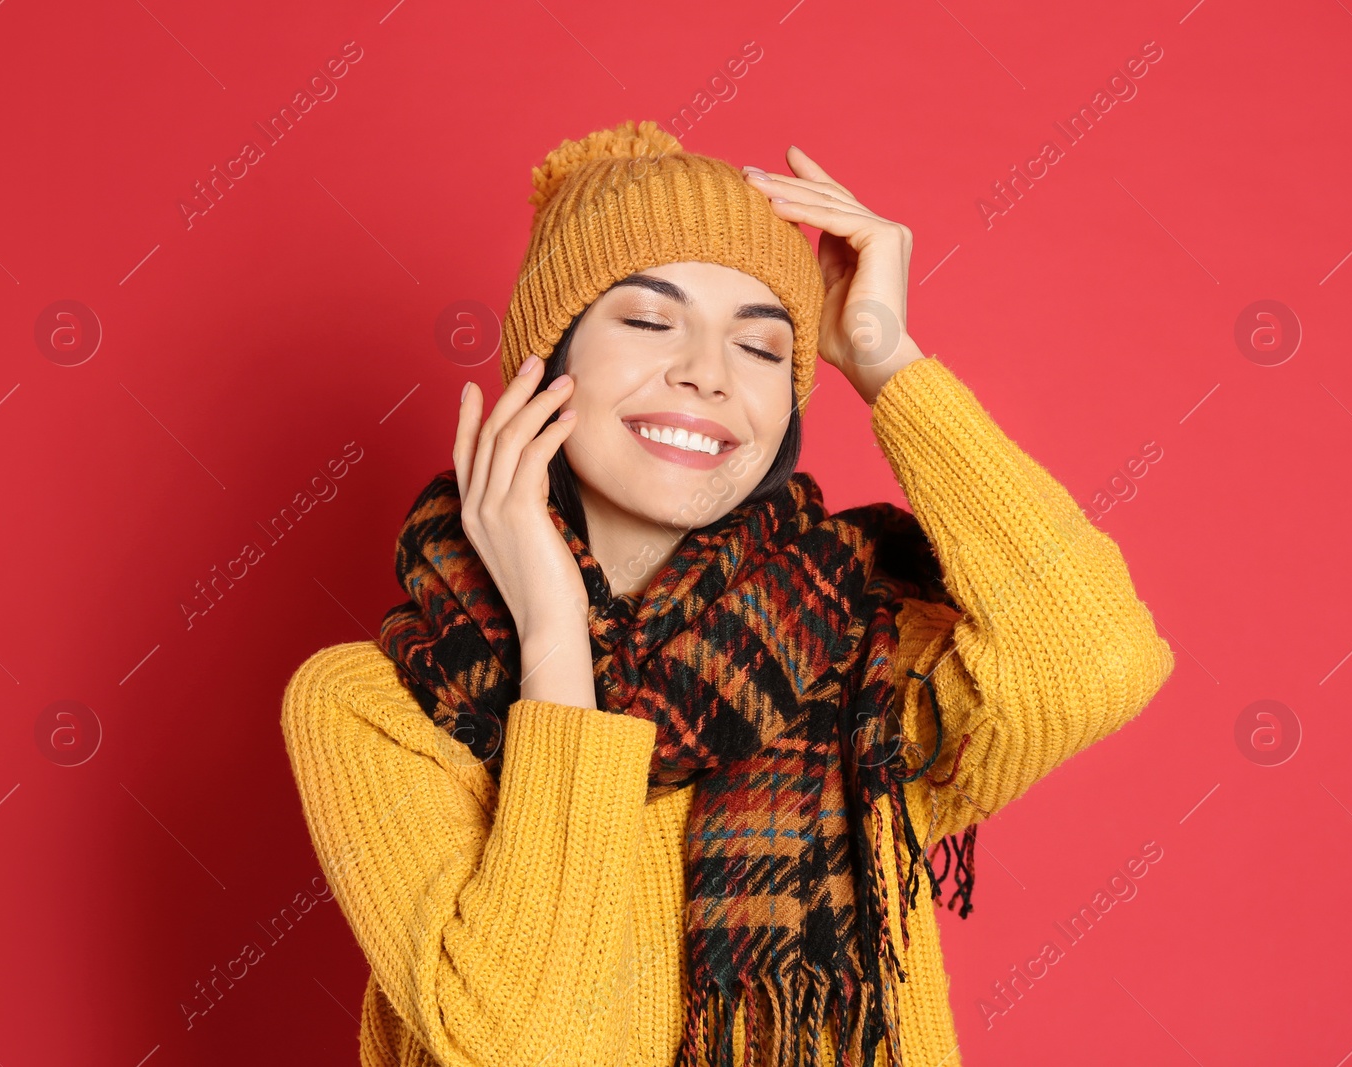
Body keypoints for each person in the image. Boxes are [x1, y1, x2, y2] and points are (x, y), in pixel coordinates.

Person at [280, 118, 1174, 1067]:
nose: (707, 374)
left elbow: (1094, 658)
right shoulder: (377, 709)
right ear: (547, 367)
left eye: (759, 349)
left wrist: (883, 357)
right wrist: (554, 633)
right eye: (649, 320)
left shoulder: (859, 664)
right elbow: (527, 1044)